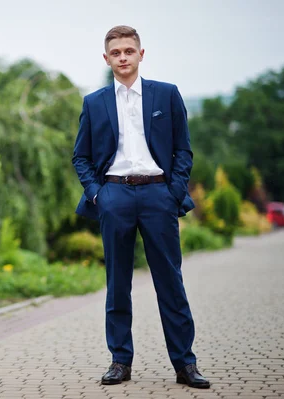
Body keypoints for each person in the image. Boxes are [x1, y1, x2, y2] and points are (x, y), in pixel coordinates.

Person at [72, 25, 210, 389]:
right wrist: (98, 195)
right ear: (106, 58)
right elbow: (81, 156)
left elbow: (183, 149)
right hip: (114, 195)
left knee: (170, 282)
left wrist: (173, 189)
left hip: (157, 196)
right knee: (118, 284)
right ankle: (120, 361)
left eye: (128, 51)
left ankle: (185, 364)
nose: (122, 58)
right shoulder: (94, 102)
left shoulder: (166, 95)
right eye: (115, 53)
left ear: (141, 54)